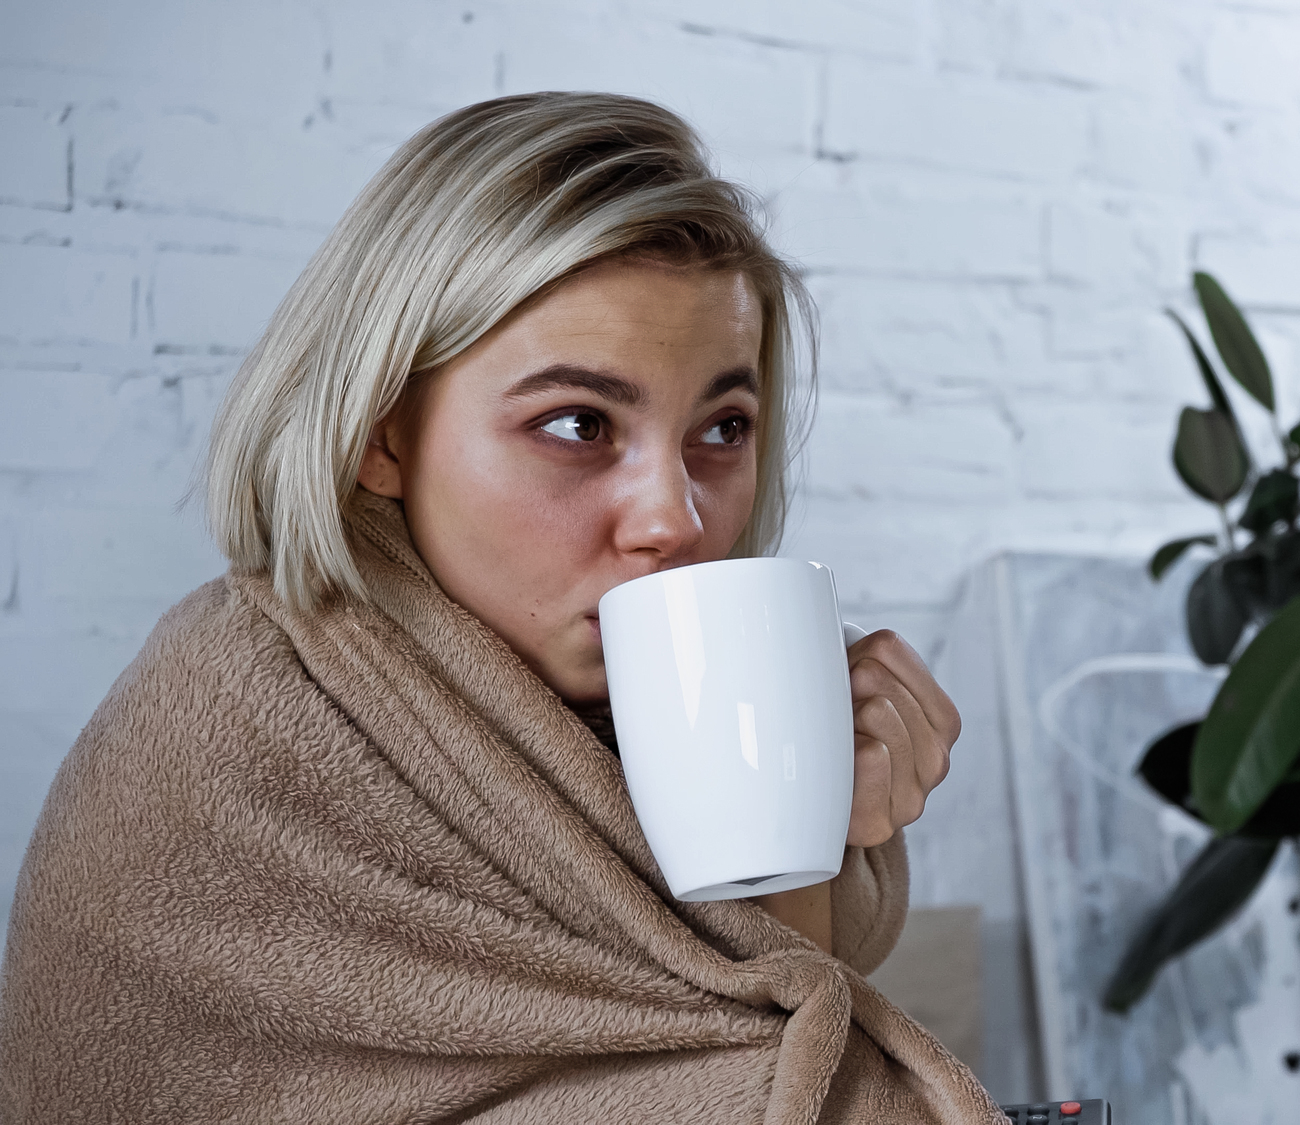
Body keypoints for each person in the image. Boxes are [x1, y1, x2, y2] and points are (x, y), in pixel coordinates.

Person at [0, 92, 998, 1123]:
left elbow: (767, 1049)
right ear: (381, 435)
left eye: (724, 425)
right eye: (577, 423)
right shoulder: (242, 726)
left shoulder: (625, 717)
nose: (673, 517)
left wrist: (803, 820)